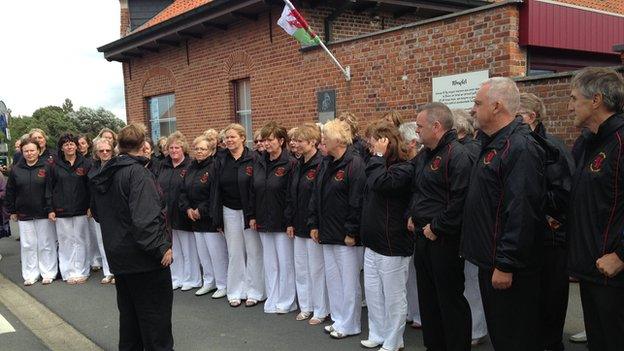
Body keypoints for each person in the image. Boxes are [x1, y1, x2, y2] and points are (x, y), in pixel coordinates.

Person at [461, 77, 549, 351]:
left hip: (506, 267)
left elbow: (521, 210)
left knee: (514, 337)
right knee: (502, 335)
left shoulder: (519, 147)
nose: (473, 110)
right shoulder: (494, 143)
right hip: (490, 259)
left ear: (497, 106)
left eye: (477, 103)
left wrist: (506, 263)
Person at [91, 123, 174, 351]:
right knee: (155, 323)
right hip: (143, 260)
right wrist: (161, 248)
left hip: (119, 256)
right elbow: (145, 219)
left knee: (130, 322)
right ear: (143, 144)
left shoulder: (105, 172)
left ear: (118, 145)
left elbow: (98, 213)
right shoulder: (138, 173)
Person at [567, 67, 624, 351]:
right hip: (591, 271)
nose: (570, 106)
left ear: (596, 100)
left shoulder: (620, 142)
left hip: (614, 274)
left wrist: (620, 255)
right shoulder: (587, 143)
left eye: (575, 98)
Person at [408, 103, 472, 351]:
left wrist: (437, 227)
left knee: (449, 300)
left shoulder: (457, 155)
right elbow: (417, 190)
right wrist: (412, 214)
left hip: (444, 240)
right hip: (422, 237)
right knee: (428, 299)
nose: (417, 131)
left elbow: (461, 199)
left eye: (420, 126)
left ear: (436, 127)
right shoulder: (424, 155)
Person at [517, 93, 574, 351]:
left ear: (531, 117)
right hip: (528, 236)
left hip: (550, 237)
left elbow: (563, 194)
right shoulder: (519, 145)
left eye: (517, 115)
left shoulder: (552, 147)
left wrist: (528, 202)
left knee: (550, 298)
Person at [308, 119, 366, 339]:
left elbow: (356, 200)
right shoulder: (326, 163)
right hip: (327, 232)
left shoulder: (354, 164)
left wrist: (352, 231)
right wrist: (314, 224)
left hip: (345, 236)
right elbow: (316, 196)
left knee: (349, 282)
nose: (322, 140)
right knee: (334, 280)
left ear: (339, 140)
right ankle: (339, 319)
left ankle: (351, 324)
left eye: (326, 137)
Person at [359, 121, 413, 351]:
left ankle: (393, 340)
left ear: (387, 144)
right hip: (373, 242)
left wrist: (378, 157)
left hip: (393, 243)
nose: (371, 150)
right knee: (373, 293)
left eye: (375, 145)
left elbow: (382, 184)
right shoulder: (377, 164)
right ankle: (378, 333)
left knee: (393, 296)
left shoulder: (404, 168)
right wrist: (377, 158)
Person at [214, 124, 265, 307]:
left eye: (232, 137)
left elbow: (257, 188)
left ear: (243, 138)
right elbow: (216, 190)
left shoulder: (254, 158)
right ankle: (235, 291)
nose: (229, 140)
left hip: (249, 212)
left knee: (254, 251)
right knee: (234, 253)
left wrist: (254, 214)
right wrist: (217, 217)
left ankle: (255, 291)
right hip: (229, 210)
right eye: (226, 138)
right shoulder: (220, 160)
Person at [250, 122, 298, 314]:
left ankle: (287, 301)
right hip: (263, 219)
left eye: (270, 139)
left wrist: (289, 221)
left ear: (281, 140)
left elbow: (291, 196)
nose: (266, 143)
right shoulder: (259, 161)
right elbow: (254, 191)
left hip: (282, 222)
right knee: (270, 263)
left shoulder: (290, 163)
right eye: (263, 140)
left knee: (285, 263)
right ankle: (273, 296)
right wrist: (252, 215)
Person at [452, 108, 488, 346]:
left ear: (461, 131)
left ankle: (476, 329)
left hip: (470, 226)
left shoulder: (469, 152)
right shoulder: (471, 150)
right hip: (465, 225)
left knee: (472, 280)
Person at [288, 123, 329, 324]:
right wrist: (290, 222)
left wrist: (316, 225)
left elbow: (318, 198)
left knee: (316, 270)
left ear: (312, 142)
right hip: (298, 225)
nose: (295, 144)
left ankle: (321, 309)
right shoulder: (297, 164)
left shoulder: (321, 164)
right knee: (301, 268)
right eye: (295, 141)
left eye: (300, 141)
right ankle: (306, 306)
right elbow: (292, 195)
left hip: (313, 225)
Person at [179, 134, 228, 299]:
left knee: (216, 253)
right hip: (194, 217)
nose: (199, 152)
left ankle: (222, 283)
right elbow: (183, 191)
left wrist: (201, 209)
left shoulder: (215, 166)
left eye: (203, 149)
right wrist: (188, 209)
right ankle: (209, 281)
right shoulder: (191, 167)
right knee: (203, 253)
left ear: (211, 151)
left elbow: (214, 193)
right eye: (197, 149)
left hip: (209, 217)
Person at [6, 137, 57, 285]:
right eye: (26, 151)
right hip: (24, 213)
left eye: (32, 150)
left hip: (44, 212)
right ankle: (30, 274)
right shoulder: (16, 169)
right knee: (28, 245)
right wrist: (12, 210)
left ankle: (48, 272)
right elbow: (10, 191)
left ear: (38, 151)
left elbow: (51, 189)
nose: (29, 153)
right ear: (22, 152)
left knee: (46, 243)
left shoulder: (47, 167)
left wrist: (51, 209)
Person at [157, 131, 201, 291]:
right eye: (171, 147)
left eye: (177, 147)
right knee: (173, 248)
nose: (174, 150)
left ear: (184, 148)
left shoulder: (190, 165)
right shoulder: (163, 165)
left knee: (188, 249)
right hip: (167, 214)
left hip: (183, 213)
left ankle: (193, 278)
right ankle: (177, 277)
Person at [48, 133, 92, 284]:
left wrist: (90, 206)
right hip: (61, 210)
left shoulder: (86, 164)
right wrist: (51, 209)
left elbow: (90, 187)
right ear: (61, 147)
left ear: (76, 146)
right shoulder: (54, 166)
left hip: (81, 209)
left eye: (72, 143)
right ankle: (68, 273)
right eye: (66, 144)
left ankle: (82, 271)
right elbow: (49, 188)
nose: (69, 146)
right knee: (65, 242)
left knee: (81, 241)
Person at [87, 137, 116, 284]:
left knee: (115, 241)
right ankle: (108, 271)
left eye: (107, 150)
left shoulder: (117, 166)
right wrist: (91, 207)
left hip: (115, 210)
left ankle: (117, 270)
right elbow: (91, 190)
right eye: (101, 151)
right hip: (99, 209)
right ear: (96, 153)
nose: (105, 153)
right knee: (101, 241)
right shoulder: (93, 168)